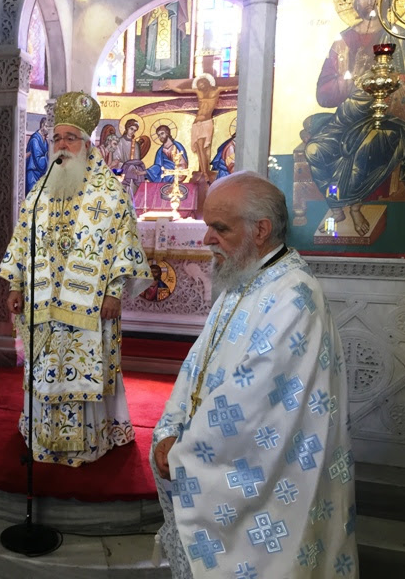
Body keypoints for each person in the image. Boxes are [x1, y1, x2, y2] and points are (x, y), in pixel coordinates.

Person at [151, 171, 357, 578]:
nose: (206, 239)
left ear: (260, 230)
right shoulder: (244, 279)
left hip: (274, 484)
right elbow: (198, 364)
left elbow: (256, 403)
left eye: (220, 228)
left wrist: (187, 448)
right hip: (203, 437)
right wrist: (171, 425)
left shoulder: (293, 296)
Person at [0, 91, 151, 466]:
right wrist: (15, 284)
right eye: (57, 138)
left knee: (87, 367)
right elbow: (23, 239)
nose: (62, 145)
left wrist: (114, 292)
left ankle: (89, 440)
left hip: (91, 306)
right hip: (42, 303)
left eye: (71, 138)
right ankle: (42, 434)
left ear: (87, 143)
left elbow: (124, 245)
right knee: (45, 367)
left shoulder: (110, 192)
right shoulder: (40, 191)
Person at [305, 0, 405, 236]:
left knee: (364, 150)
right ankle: (336, 205)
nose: (370, 0)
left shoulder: (399, 37)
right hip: (347, 118)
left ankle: (354, 207)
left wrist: (388, 81)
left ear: (387, 0)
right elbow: (323, 93)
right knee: (314, 150)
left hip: (386, 119)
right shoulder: (343, 41)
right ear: (354, 0)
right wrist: (349, 84)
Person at [155, 73, 236, 179]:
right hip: (196, 122)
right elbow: (183, 90)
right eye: (199, 84)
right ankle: (202, 170)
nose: (200, 86)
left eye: (202, 84)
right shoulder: (199, 91)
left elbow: (231, 86)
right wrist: (170, 86)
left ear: (207, 82)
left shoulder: (216, 90)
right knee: (198, 147)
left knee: (203, 146)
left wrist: (243, 83)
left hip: (206, 122)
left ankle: (205, 172)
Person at [25, 117, 49, 193]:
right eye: (47, 126)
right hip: (33, 176)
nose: (49, 129)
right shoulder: (34, 140)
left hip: (40, 176)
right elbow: (39, 163)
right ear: (42, 126)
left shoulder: (45, 141)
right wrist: (49, 155)